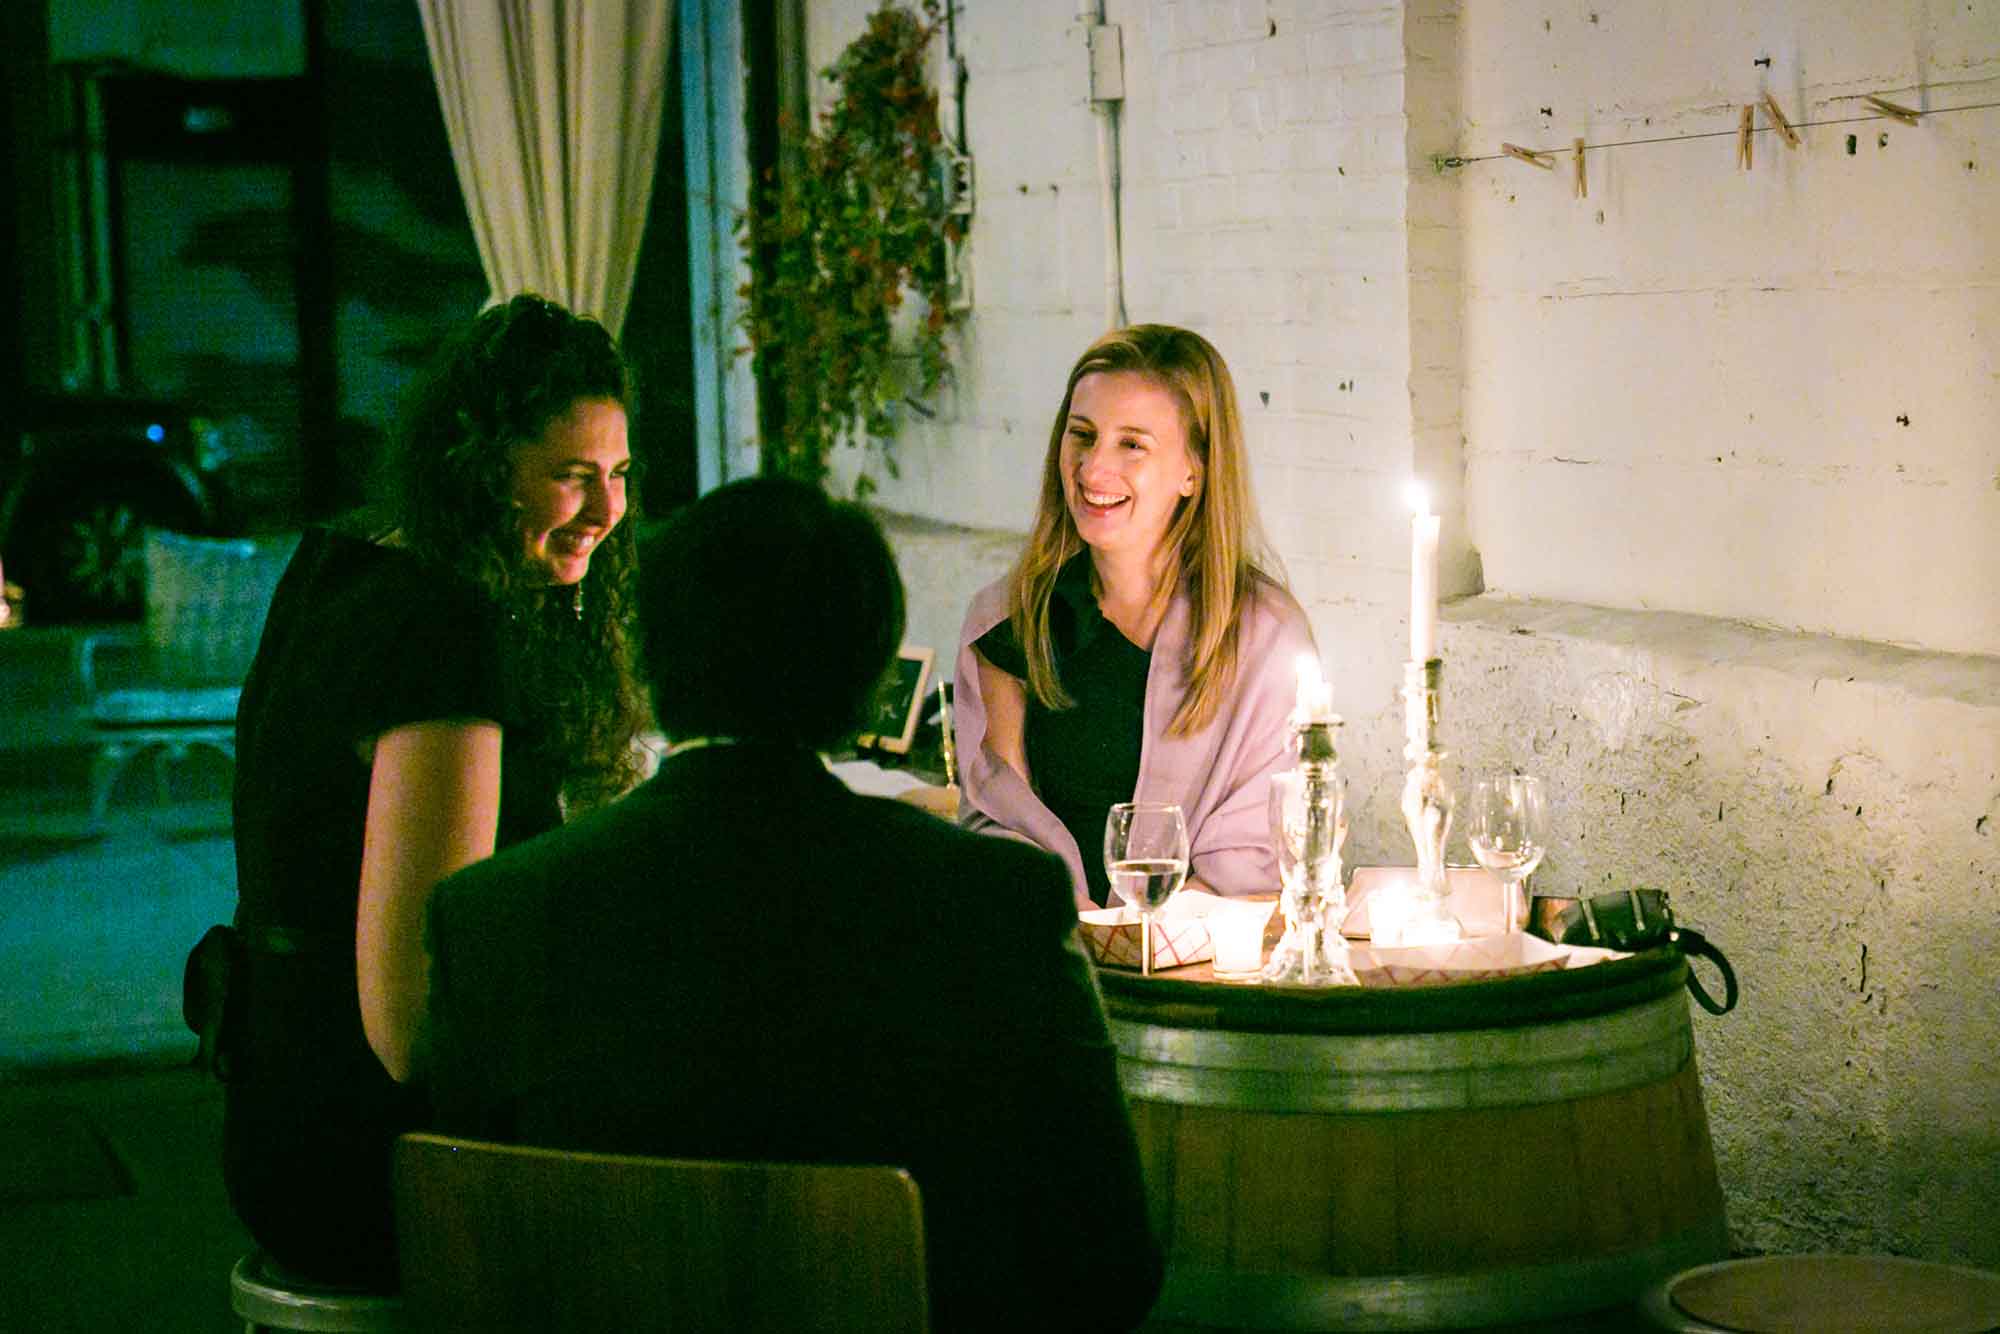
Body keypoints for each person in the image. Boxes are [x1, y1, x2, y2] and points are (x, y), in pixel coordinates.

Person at [422, 478, 1164, 1334]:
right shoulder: (996, 905)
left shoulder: (489, 917)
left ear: (645, 660)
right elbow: (1110, 1263)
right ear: (866, 681)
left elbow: (476, 1267)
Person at [216, 294, 646, 1286]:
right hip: (371, 1165)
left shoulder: (347, 559)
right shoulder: (440, 632)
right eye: (569, 476)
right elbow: (412, 1029)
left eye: (617, 474)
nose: (607, 511)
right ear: (482, 465)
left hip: (279, 1107)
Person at [953, 324, 1316, 907]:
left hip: (1201, 970)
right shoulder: (1007, 619)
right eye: (1083, 436)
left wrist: (1139, 945)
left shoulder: (1263, 634)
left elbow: (1259, 851)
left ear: (1193, 471)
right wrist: (1068, 928)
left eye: (1132, 444)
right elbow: (998, 823)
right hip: (1051, 958)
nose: (1094, 470)